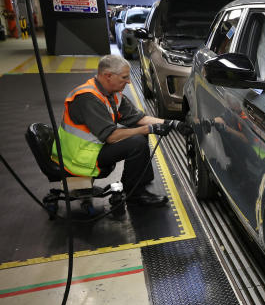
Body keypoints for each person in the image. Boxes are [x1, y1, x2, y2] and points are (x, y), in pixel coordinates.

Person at [52, 54, 188, 207]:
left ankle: (139, 181)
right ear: (108, 76)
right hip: (79, 156)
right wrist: (149, 129)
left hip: (93, 148)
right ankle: (134, 195)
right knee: (137, 140)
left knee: (138, 132)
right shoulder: (88, 98)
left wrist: (173, 123)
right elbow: (111, 137)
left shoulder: (112, 93)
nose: (129, 81)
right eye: (124, 77)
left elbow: (138, 119)